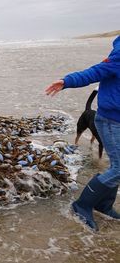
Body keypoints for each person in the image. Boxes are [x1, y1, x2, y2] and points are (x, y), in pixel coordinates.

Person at [45, 36, 120, 231]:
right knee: (119, 168)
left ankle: (103, 205)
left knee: (117, 166)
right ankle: (82, 205)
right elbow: (95, 72)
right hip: (111, 121)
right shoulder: (119, 55)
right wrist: (66, 81)